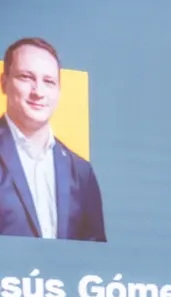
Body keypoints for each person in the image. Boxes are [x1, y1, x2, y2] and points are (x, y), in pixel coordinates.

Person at [0, 37, 105, 241]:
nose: (38, 92)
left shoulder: (81, 171)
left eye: (48, 82)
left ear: (58, 91)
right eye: (25, 77)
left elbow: (95, 258)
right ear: (4, 83)